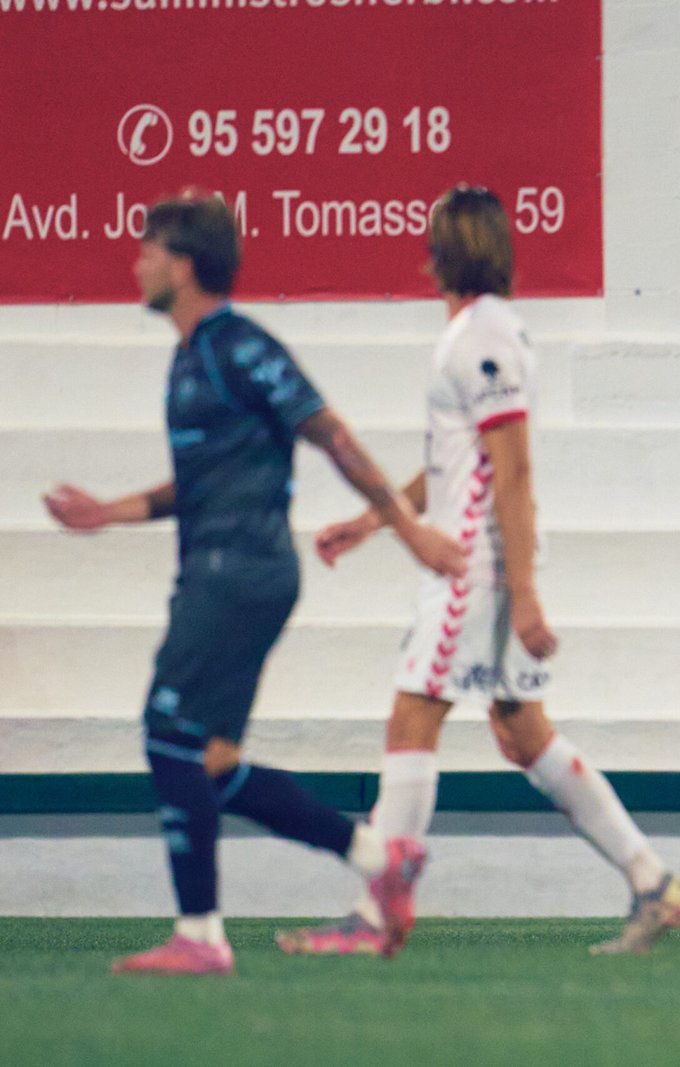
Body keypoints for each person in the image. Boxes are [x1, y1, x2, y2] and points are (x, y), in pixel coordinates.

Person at [43, 191, 465, 975]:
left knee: (166, 733)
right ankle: (381, 856)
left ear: (184, 263)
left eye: (147, 250)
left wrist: (405, 529)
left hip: (239, 569)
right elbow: (194, 485)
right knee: (206, 760)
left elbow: (331, 434)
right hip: (225, 567)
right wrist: (110, 511)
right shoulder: (189, 356)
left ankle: (200, 935)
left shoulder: (240, 345)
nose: (135, 262)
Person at [276, 185, 680, 958]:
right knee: (519, 728)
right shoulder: (483, 332)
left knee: (413, 716)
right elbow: (455, 466)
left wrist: (524, 594)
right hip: (488, 563)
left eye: (431, 236)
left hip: (474, 569)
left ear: (446, 250)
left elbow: (515, 469)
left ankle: (376, 916)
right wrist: (373, 522)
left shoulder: (481, 335)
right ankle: (652, 878)